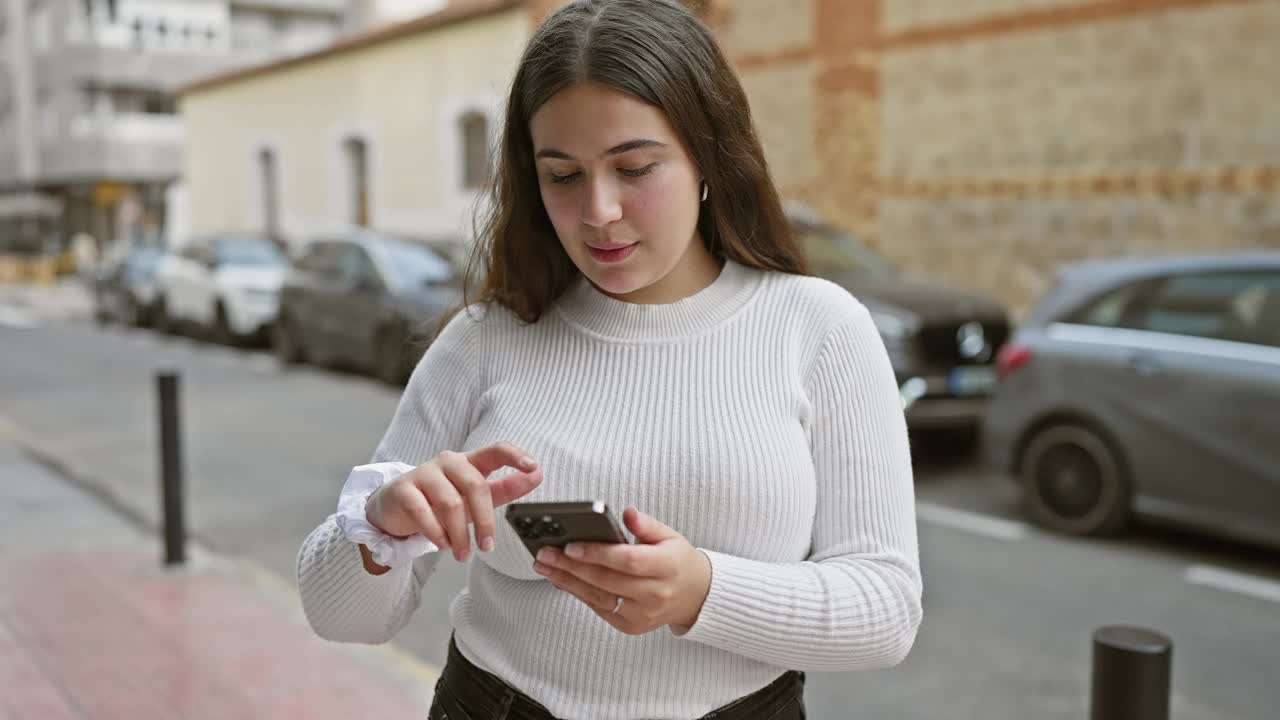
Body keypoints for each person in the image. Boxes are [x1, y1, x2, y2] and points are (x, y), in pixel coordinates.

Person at [296, 1, 922, 718]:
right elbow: (339, 615)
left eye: (634, 168)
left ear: (708, 157)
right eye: (562, 176)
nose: (599, 211)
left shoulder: (819, 328)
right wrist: (383, 526)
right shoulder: (483, 339)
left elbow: (887, 611)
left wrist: (699, 591)